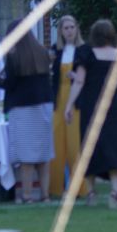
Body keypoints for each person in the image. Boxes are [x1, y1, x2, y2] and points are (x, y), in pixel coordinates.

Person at [66, 19, 117, 208]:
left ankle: (91, 193)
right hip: (115, 107)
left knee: (90, 148)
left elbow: (79, 82)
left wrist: (68, 105)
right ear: (111, 35)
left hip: (92, 107)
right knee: (115, 147)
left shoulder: (86, 54)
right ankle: (116, 192)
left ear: (94, 35)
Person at [0, 20, 55, 203]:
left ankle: (27, 194)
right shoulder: (43, 53)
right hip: (44, 106)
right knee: (43, 155)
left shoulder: (14, 56)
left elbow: (10, 84)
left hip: (22, 109)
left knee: (26, 157)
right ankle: (45, 195)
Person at [49, 15, 84, 196]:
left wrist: (76, 77)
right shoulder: (56, 51)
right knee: (56, 142)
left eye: (72, 27)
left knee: (74, 144)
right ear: (61, 32)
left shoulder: (83, 51)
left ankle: (79, 188)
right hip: (58, 99)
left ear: (76, 29)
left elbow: (89, 77)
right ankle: (55, 187)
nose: (69, 31)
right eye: (66, 28)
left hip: (75, 99)